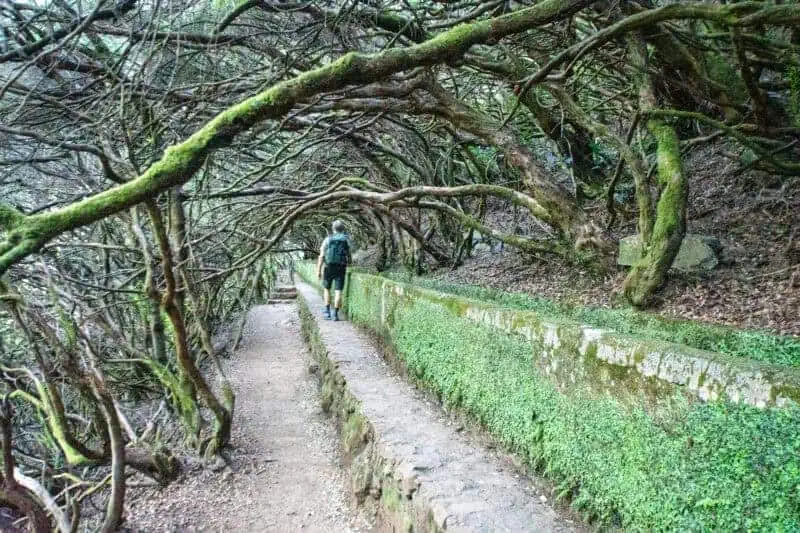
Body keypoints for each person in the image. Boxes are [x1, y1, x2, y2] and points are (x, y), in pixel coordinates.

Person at [316, 220, 352, 321]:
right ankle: (335, 314)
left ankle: (327, 312)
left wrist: (318, 270)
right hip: (341, 267)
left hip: (329, 267)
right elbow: (349, 255)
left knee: (327, 289)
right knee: (338, 291)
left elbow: (322, 256)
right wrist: (349, 262)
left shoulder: (328, 239)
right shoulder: (346, 240)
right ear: (343, 229)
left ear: (333, 229)